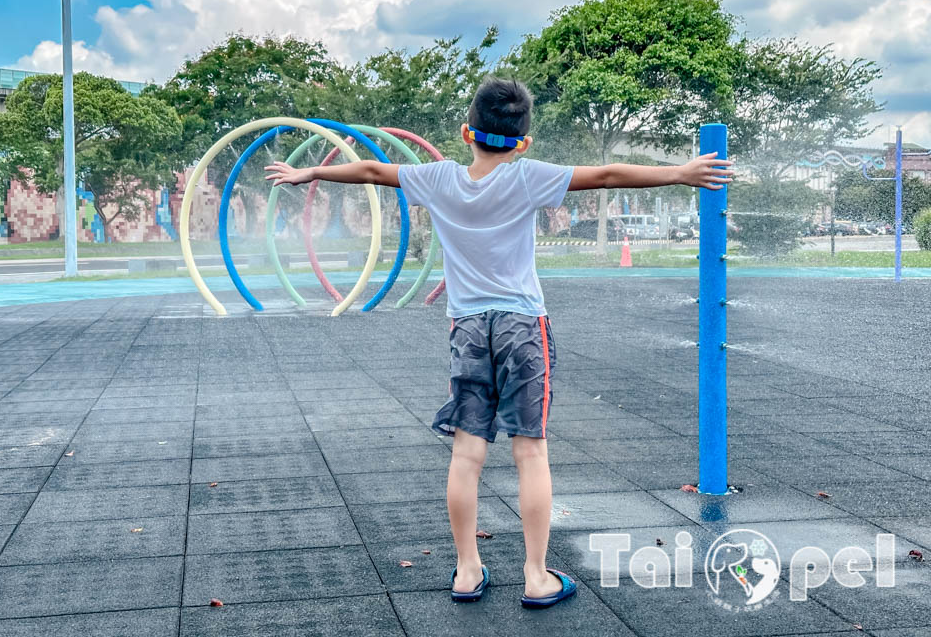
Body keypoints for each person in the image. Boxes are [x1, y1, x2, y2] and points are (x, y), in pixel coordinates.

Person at [265, 77, 733, 608]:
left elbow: (371, 169)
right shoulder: (528, 178)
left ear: (467, 133)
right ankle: (536, 576)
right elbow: (605, 175)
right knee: (530, 450)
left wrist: (312, 172)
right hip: (521, 326)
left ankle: (468, 570)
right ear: (523, 142)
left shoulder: (439, 178)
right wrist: (680, 173)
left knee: (467, 455)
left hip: (467, 326)